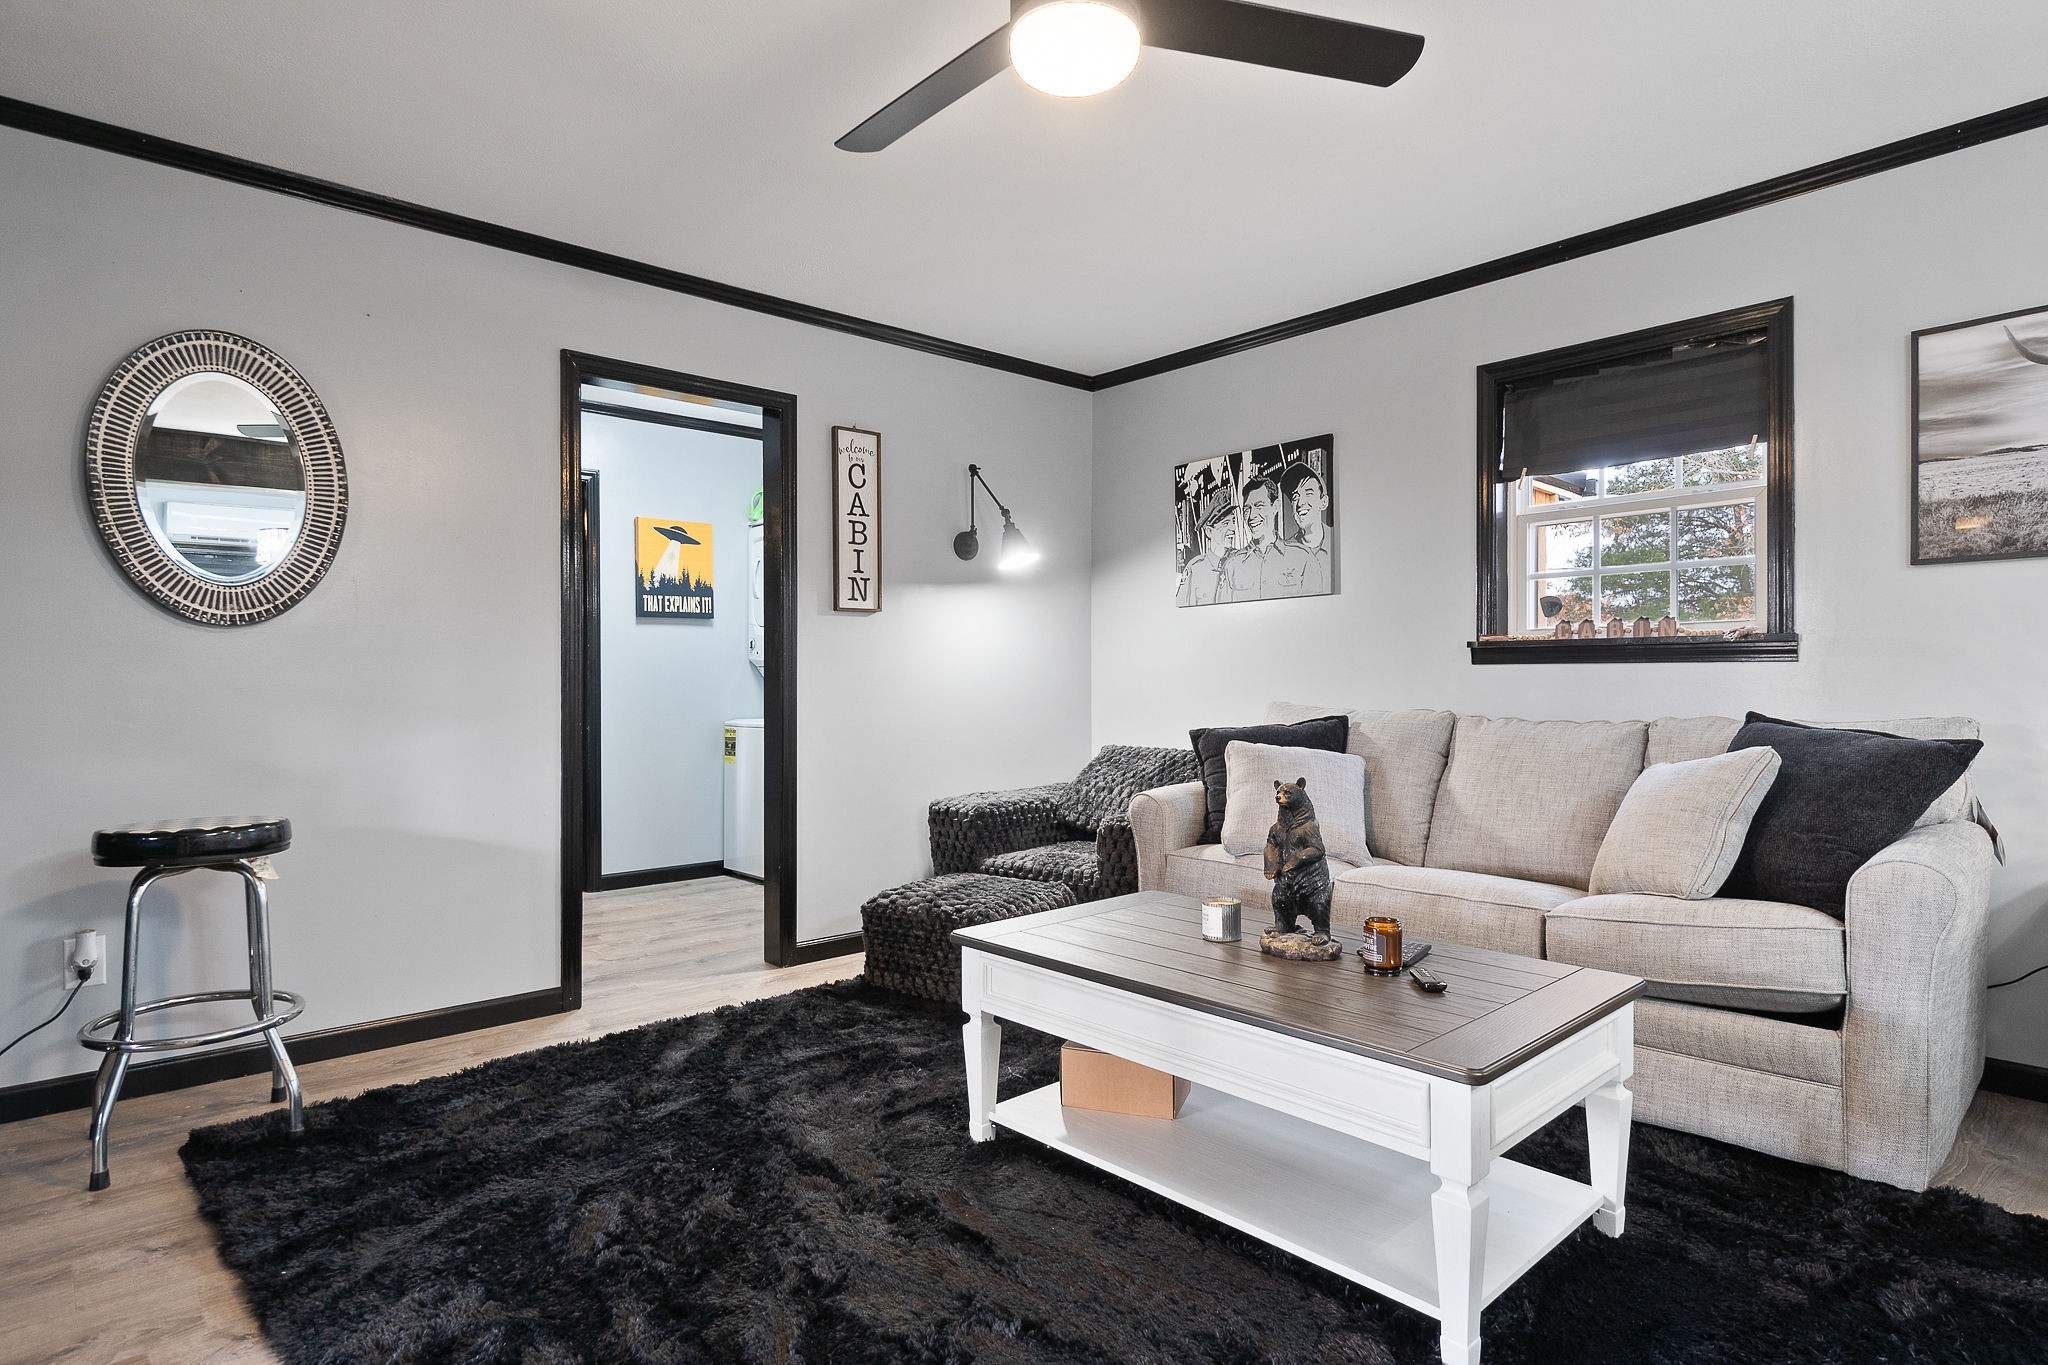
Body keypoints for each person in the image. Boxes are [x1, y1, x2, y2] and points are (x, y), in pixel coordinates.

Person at [1216, 476, 1317, 600]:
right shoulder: (1232, 565)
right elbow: (1222, 615)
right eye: (1247, 509)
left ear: (1275, 506)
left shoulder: (1302, 558)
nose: (1252, 516)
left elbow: (1316, 610)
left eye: (1259, 506)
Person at [1281, 463, 1332, 594]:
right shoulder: (1283, 552)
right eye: (1295, 497)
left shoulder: (1338, 544)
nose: (1301, 503)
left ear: (1323, 502)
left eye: (1308, 493)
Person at [1175, 501, 1236, 607]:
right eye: (1225, 523)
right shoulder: (1194, 568)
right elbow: (1182, 607)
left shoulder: (1240, 561)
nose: (1233, 529)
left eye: (1233, 522)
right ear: (1209, 532)